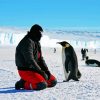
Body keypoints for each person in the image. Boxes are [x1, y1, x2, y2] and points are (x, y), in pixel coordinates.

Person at [15, 24, 57, 90]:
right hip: (25, 70)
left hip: (35, 69)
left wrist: (46, 71)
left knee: (52, 82)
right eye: (39, 32)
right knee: (41, 85)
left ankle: (28, 80)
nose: (41, 35)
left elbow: (40, 58)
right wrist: (41, 72)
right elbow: (30, 59)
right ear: (35, 32)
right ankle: (22, 84)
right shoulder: (27, 42)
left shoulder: (36, 41)